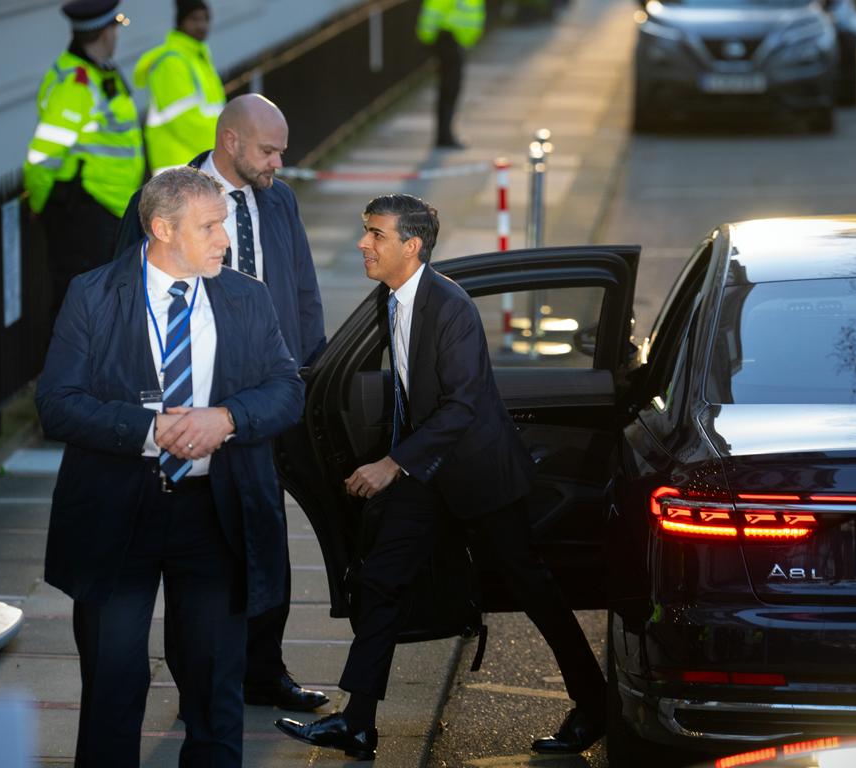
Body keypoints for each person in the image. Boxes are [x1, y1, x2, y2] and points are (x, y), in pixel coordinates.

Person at [274, 194, 607, 761]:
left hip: (478, 473)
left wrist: (390, 464)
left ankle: (596, 705)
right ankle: (357, 723)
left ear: (412, 246)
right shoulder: (391, 299)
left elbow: (462, 405)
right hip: (427, 471)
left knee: (532, 588)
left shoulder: (450, 306)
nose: (363, 244)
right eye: (364, 231)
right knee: (379, 579)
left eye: (376, 235)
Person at [36, 166, 304, 767]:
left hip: (214, 514)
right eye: (209, 227)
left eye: (224, 225)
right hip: (117, 511)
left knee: (215, 686)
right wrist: (149, 430)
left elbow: (287, 389)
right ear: (161, 228)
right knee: (113, 680)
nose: (224, 240)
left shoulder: (245, 296)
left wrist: (227, 419)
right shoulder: (93, 294)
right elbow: (56, 403)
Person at [115, 94, 329, 712]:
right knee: (204, 547)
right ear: (230, 142)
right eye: (268, 150)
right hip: (194, 396)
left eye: (281, 150)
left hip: (268, 394)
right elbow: (125, 294)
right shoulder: (165, 200)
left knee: (268, 537)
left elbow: (303, 288)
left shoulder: (279, 199)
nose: (278, 162)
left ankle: (264, 670)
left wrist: (307, 376)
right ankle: (201, 685)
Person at [24, 0, 144, 320]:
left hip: (112, 209)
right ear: (105, 32)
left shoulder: (100, 73)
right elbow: (42, 156)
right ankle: (70, 371)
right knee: (79, 309)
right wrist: (41, 205)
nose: (117, 35)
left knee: (103, 306)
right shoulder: (75, 83)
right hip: (85, 212)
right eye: (115, 28)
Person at [134, 0, 226, 174]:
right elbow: (185, 121)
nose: (202, 25)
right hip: (179, 170)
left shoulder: (197, 58)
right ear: (180, 22)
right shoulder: (171, 62)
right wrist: (226, 148)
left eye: (205, 19)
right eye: (194, 19)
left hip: (197, 165)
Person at [416, 0, 485, 149]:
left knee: (451, 89)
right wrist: (427, 37)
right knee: (449, 89)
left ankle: (445, 134)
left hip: (455, 41)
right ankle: (444, 136)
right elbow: (432, 11)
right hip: (448, 39)